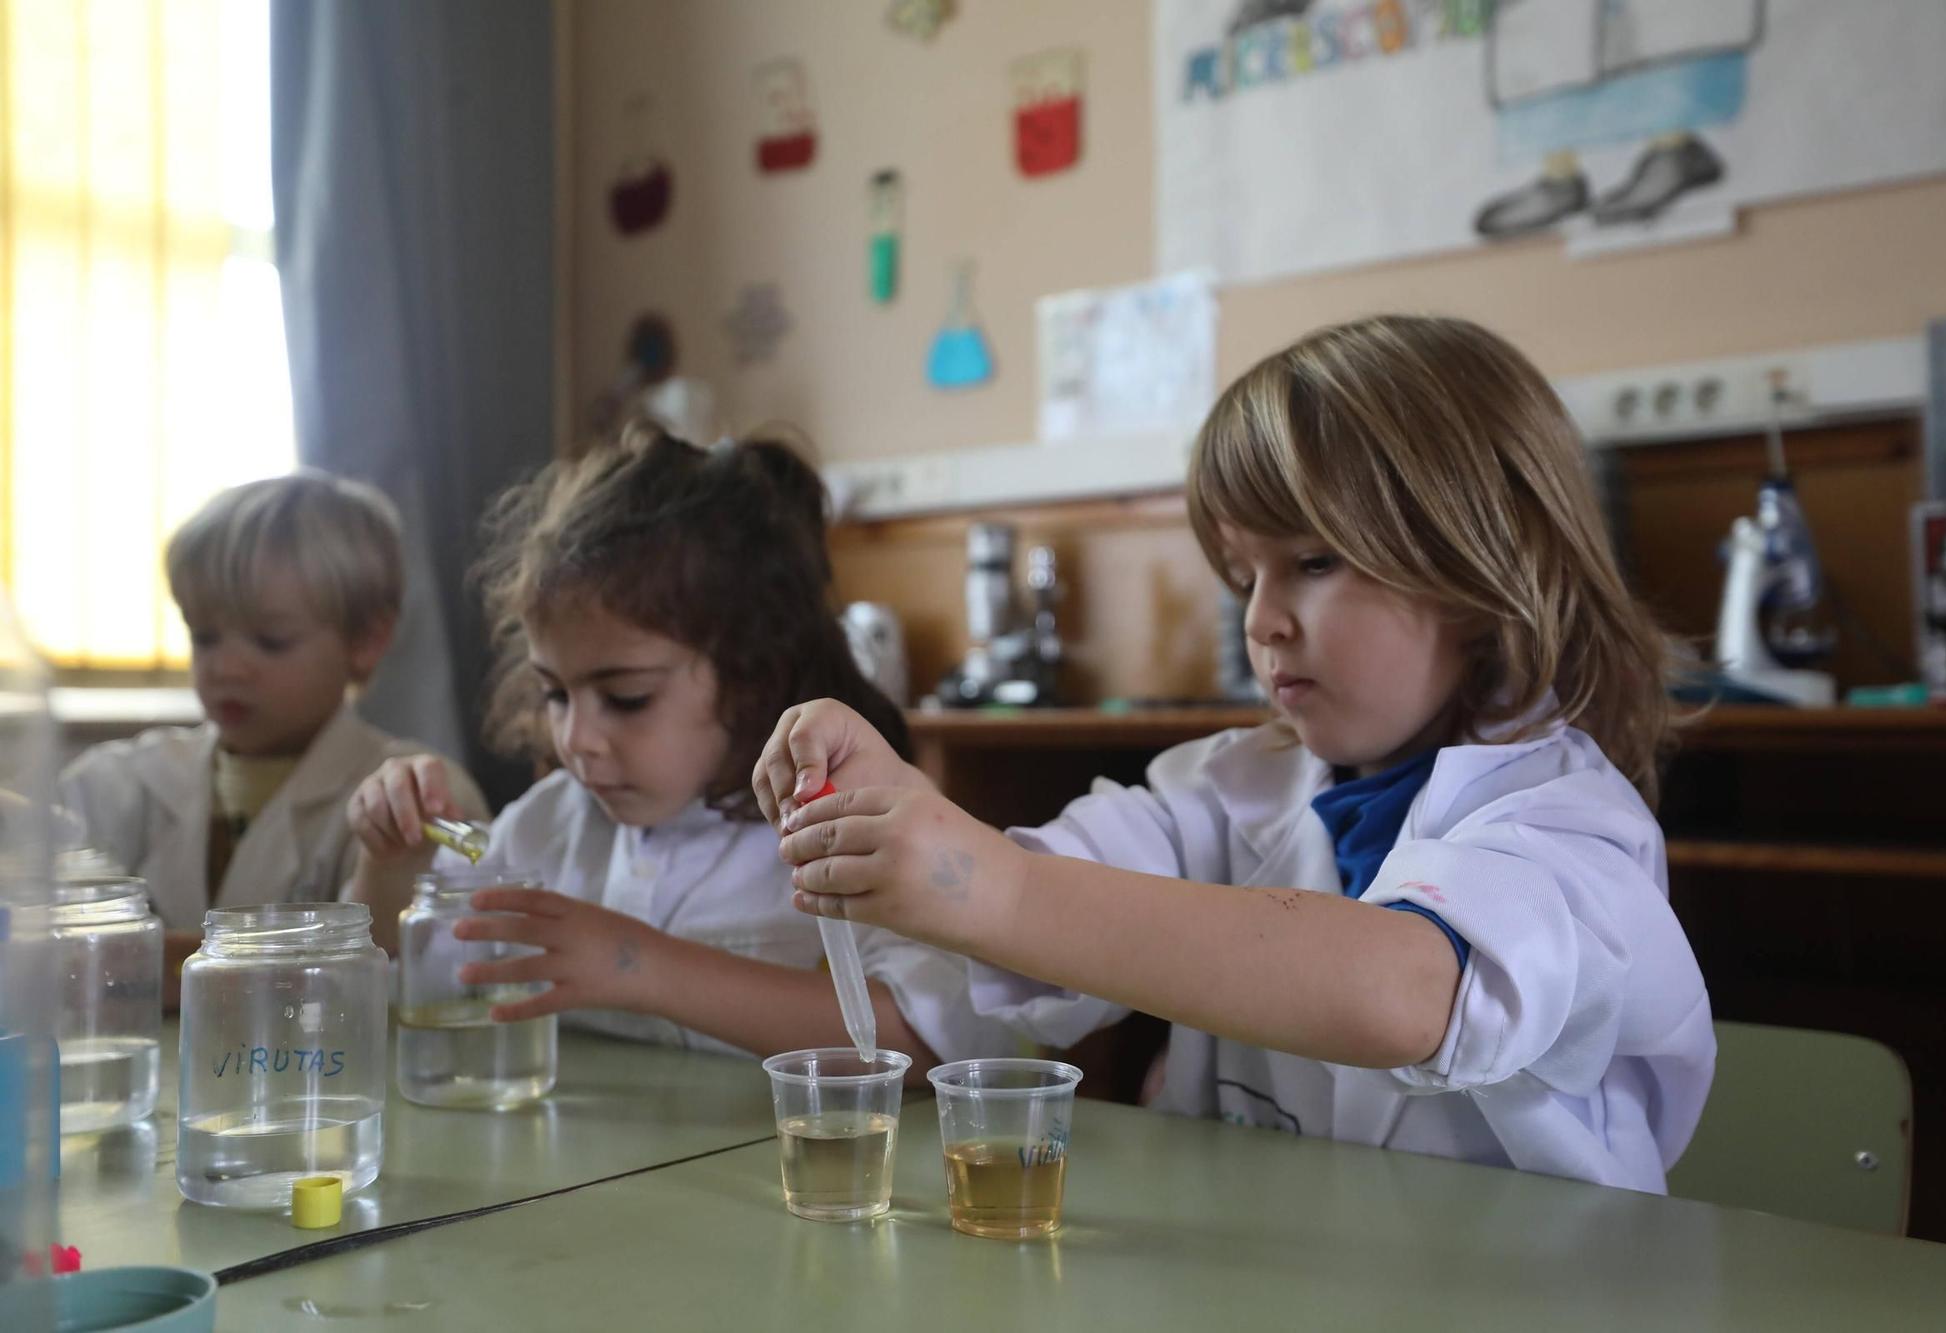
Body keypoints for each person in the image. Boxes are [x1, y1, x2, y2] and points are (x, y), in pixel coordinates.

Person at [761, 315, 1715, 1190]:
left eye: (1312, 562)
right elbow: (1060, 883)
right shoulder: (1227, 790)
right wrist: (909, 809)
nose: (1262, 620)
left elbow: (1406, 991)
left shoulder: (1568, 823)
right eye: (1244, 574)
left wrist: (990, 885)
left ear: (1479, 572)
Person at [347, 424, 1002, 1069]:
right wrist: (393, 863)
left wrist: (643, 965)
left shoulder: (849, 829)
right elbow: (405, 982)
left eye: (627, 698)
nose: (575, 740)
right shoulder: (550, 824)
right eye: (556, 694)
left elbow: (926, 1039)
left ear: (753, 674)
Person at [60, 471, 487, 991]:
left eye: (270, 640)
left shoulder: (416, 799)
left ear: (367, 639)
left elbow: (390, 985)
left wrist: (146, 964)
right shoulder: (112, 785)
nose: (227, 669)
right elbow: (51, 952)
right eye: (206, 637)